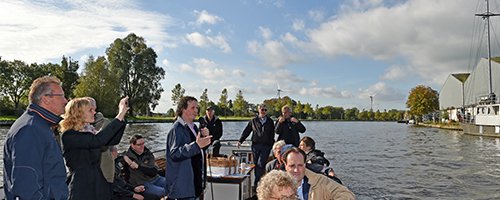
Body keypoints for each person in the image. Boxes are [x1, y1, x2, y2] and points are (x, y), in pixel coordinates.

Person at [3, 76, 69, 199]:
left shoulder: (40, 126)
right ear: (45, 98)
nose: (65, 101)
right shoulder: (30, 129)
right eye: (61, 96)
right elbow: (26, 186)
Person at [61, 97, 129, 200]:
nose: (94, 112)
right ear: (79, 114)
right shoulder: (69, 135)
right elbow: (98, 140)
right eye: (90, 110)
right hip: (83, 186)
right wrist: (119, 114)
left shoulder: (89, 132)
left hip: (98, 182)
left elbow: (113, 140)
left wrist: (122, 117)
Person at [165, 96, 212, 200]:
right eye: (193, 107)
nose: (196, 111)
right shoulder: (176, 128)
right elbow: (175, 153)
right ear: (183, 109)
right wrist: (196, 145)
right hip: (183, 187)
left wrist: (205, 138)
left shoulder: (194, 127)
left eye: (197, 108)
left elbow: (198, 150)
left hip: (194, 182)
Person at [283, 147, 355, 200]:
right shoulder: (275, 185)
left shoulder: (319, 181)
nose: (296, 170)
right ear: (285, 165)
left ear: (305, 164)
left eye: (300, 165)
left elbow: (346, 194)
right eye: (292, 166)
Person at [238, 103, 275, 189]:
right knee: (256, 164)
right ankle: (259, 182)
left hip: (266, 146)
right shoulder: (253, 121)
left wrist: (271, 145)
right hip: (255, 146)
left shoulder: (270, 121)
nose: (264, 111)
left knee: (260, 164)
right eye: (262, 110)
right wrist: (240, 140)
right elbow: (247, 131)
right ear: (258, 110)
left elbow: (272, 134)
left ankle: (257, 183)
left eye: (265, 110)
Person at [84, 97, 115, 184]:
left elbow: (107, 140)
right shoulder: (79, 125)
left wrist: (113, 149)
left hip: (104, 161)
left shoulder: (104, 123)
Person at [124, 135, 166, 199]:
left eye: (143, 143)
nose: (142, 146)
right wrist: (133, 188)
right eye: (139, 144)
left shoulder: (148, 154)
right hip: (142, 183)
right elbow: (126, 177)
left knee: (173, 184)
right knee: (161, 192)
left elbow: (153, 172)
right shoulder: (127, 157)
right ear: (132, 145)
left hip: (155, 178)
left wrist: (138, 167)